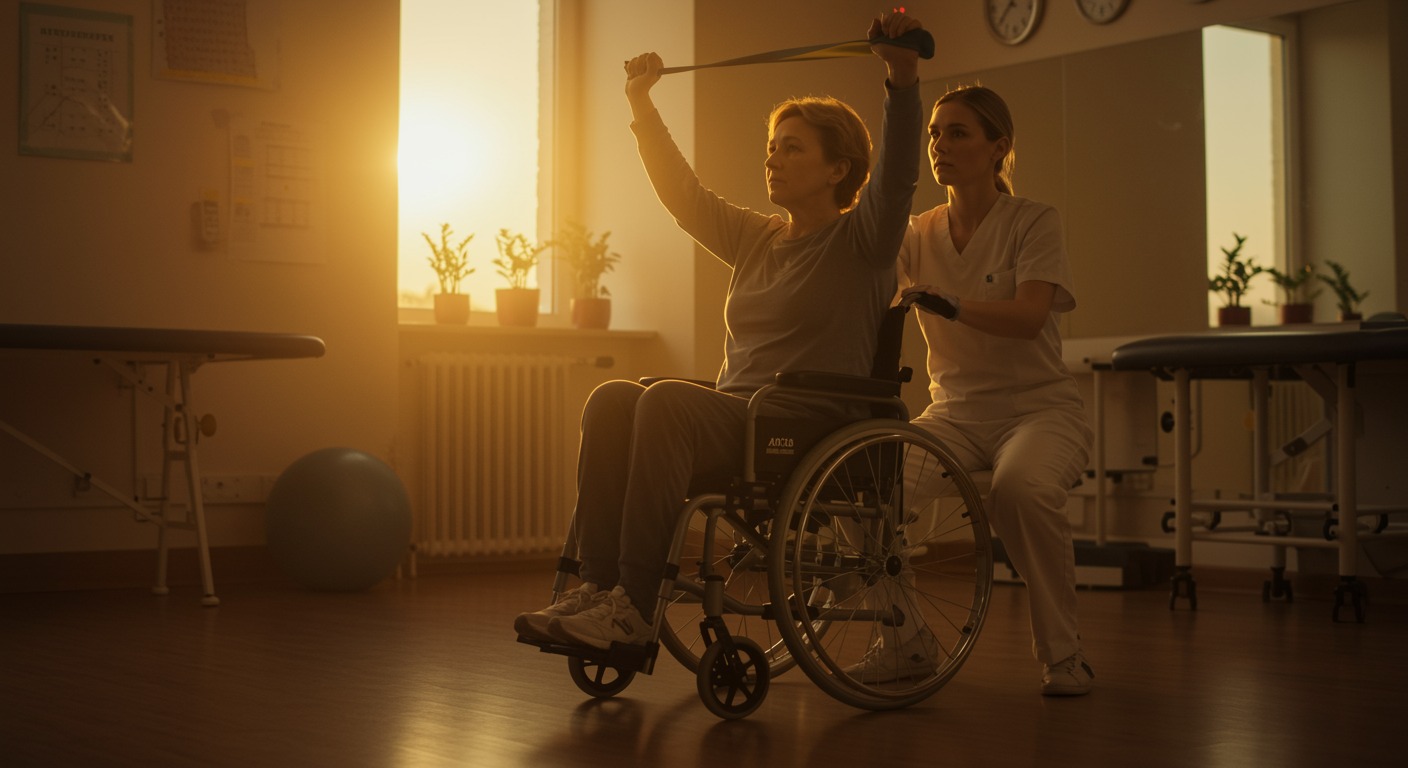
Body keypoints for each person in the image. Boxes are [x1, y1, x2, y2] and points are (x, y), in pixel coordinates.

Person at [514, 11, 926, 651]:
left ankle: (635, 606)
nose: (774, 158)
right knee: (614, 398)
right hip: (745, 416)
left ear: (837, 169)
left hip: (807, 422)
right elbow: (684, 195)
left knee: (667, 401)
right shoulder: (758, 236)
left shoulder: (863, 242)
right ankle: (598, 590)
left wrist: (900, 79)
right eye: (772, 145)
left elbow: (899, 174)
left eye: (793, 147)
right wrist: (640, 104)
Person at [895, 85, 1096, 696]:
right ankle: (904, 643)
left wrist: (949, 303)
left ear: (997, 148)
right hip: (952, 413)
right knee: (869, 491)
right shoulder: (915, 233)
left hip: (1038, 410)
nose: (940, 145)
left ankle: (1065, 657)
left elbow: (1030, 316)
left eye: (957, 133)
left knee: (1020, 488)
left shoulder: (1033, 221)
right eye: (935, 133)